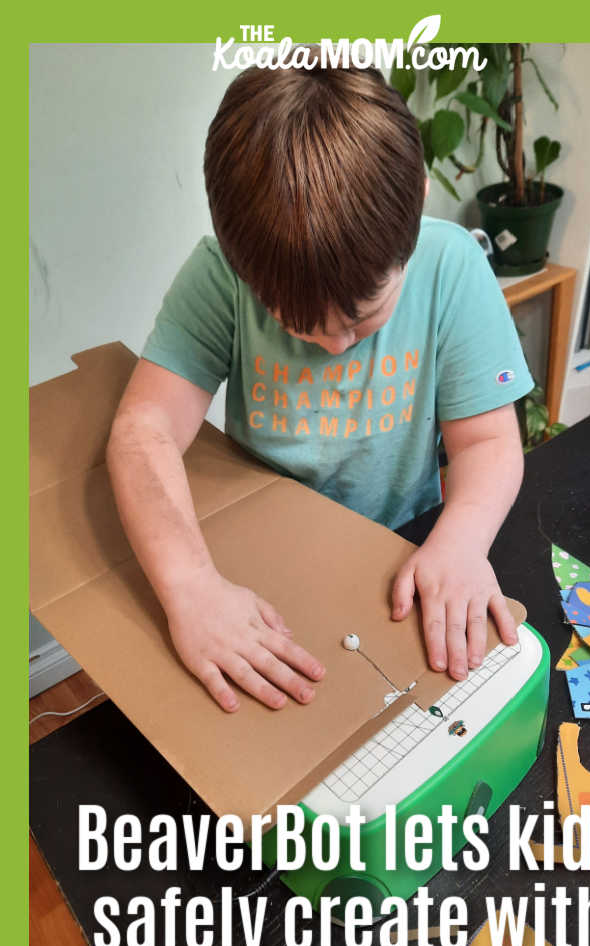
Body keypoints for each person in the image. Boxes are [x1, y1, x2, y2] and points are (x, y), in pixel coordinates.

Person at [106, 59, 534, 715]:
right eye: (295, 324)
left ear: (418, 201)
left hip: (404, 549)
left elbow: (488, 443)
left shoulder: (451, 266)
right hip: (263, 568)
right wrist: (190, 587)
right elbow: (144, 432)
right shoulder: (221, 277)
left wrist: (461, 541)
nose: (335, 345)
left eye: (364, 317)